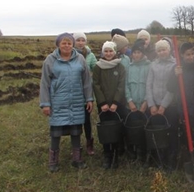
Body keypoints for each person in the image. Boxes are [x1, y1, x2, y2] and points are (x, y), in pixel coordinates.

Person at [40, 33, 93, 172]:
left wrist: (89, 99)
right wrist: (45, 103)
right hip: (58, 101)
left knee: (76, 131)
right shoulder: (50, 60)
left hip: (76, 100)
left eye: (69, 43)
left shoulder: (80, 59)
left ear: (73, 44)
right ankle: (53, 161)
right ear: (58, 44)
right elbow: (45, 83)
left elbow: (87, 81)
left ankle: (77, 159)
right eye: (64, 43)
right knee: (56, 132)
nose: (67, 45)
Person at [167, 42, 194, 177]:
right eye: (187, 55)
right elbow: (170, 88)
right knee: (190, 136)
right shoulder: (178, 68)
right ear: (181, 55)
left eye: (193, 54)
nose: (191, 57)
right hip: (185, 109)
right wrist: (175, 76)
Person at [92, 41, 128, 169]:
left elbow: (121, 86)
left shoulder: (120, 67)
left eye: (110, 51)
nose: (108, 53)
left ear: (115, 52)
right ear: (103, 52)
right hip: (103, 106)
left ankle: (117, 154)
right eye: (106, 51)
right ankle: (107, 154)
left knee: (117, 129)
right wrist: (102, 103)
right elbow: (95, 85)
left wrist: (115, 102)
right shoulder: (98, 67)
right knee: (106, 130)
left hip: (117, 106)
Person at [145, 39, 178, 170]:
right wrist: (151, 104)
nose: (162, 52)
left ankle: (171, 160)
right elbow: (149, 85)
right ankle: (159, 158)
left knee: (171, 132)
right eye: (159, 50)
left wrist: (163, 106)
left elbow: (173, 88)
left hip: (170, 106)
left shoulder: (175, 65)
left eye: (164, 49)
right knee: (158, 133)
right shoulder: (153, 65)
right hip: (155, 105)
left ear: (169, 50)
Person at [125, 39, 151, 162]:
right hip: (133, 105)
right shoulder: (129, 68)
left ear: (143, 53)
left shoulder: (149, 66)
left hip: (145, 104)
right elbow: (126, 86)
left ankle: (148, 153)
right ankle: (137, 152)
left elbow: (150, 85)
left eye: (139, 52)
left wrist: (146, 102)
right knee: (136, 129)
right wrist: (130, 101)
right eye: (134, 52)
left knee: (146, 128)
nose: (136, 55)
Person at [73, 31, 97, 155]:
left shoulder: (90, 55)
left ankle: (89, 143)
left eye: (83, 40)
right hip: (73, 91)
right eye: (78, 40)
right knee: (75, 120)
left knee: (86, 120)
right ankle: (76, 145)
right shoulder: (69, 55)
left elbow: (96, 69)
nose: (81, 43)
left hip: (86, 91)